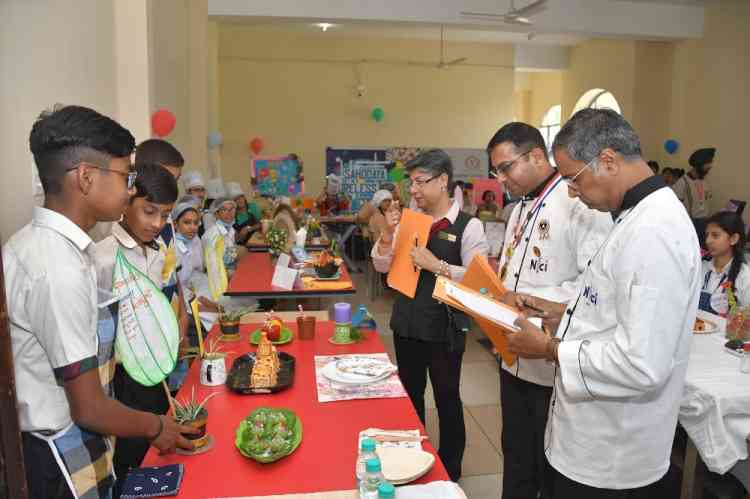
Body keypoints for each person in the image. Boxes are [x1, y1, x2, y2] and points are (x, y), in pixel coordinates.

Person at [508, 108, 702, 498]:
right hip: (588, 437)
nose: (570, 191)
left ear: (609, 160)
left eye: (573, 178)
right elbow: (618, 307)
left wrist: (548, 348)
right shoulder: (631, 217)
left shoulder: (654, 232)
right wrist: (562, 311)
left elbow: (641, 364)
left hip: (612, 452)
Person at [4, 105, 194, 499]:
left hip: (78, 442)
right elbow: (88, 408)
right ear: (86, 178)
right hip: (58, 457)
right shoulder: (55, 267)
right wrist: (157, 427)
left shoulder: (57, 249)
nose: (129, 189)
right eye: (125, 176)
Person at [487, 122, 613, 499]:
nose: (500, 178)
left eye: (506, 167)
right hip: (513, 354)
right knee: (516, 449)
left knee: (545, 463)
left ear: (537, 156)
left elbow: (594, 284)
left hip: (552, 359)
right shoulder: (518, 208)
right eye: (496, 171)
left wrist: (527, 297)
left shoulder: (579, 202)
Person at [372, 149, 489, 481]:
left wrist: (437, 266)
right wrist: (386, 236)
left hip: (445, 329)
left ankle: (450, 471)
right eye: (411, 182)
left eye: (421, 182)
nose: (414, 190)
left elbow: (479, 280)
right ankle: (410, 463)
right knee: (409, 397)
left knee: (447, 397)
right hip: (407, 323)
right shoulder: (409, 220)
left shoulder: (469, 226)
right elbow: (381, 265)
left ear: (442, 181)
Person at [93, 162, 184, 486]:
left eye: (165, 214)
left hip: (154, 368)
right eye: (149, 211)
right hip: (121, 378)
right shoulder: (102, 258)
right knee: (131, 459)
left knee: (160, 453)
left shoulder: (158, 252)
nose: (157, 223)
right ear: (127, 201)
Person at [699, 211, 750, 315]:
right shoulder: (701, 267)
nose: (708, 241)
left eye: (715, 235)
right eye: (707, 235)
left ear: (733, 239)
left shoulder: (744, 276)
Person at [672, 147, 716, 243]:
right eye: (708, 163)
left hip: (704, 221)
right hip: (691, 224)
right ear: (699, 164)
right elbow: (674, 208)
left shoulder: (704, 180)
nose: (710, 166)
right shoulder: (682, 182)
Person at [227, 181, 260, 245]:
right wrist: (239, 236)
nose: (239, 201)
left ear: (244, 197)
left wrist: (248, 229)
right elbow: (233, 236)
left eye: (240, 197)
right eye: (235, 199)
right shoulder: (231, 214)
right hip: (242, 246)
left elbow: (260, 224)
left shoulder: (253, 206)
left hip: (256, 243)